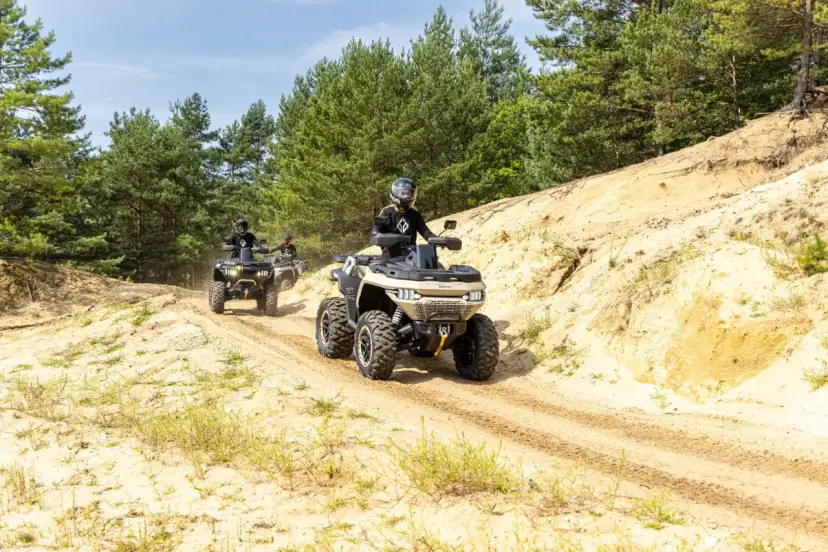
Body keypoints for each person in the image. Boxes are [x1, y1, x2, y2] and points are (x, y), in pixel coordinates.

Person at [370, 177, 436, 259]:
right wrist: (376, 234)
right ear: (395, 193)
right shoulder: (387, 212)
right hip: (390, 257)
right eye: (403, 193)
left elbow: (425, 231)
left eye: (409, 193)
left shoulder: (415, 214)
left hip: (411, 255)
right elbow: (376, 228)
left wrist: (436, 239)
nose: (407, 196)